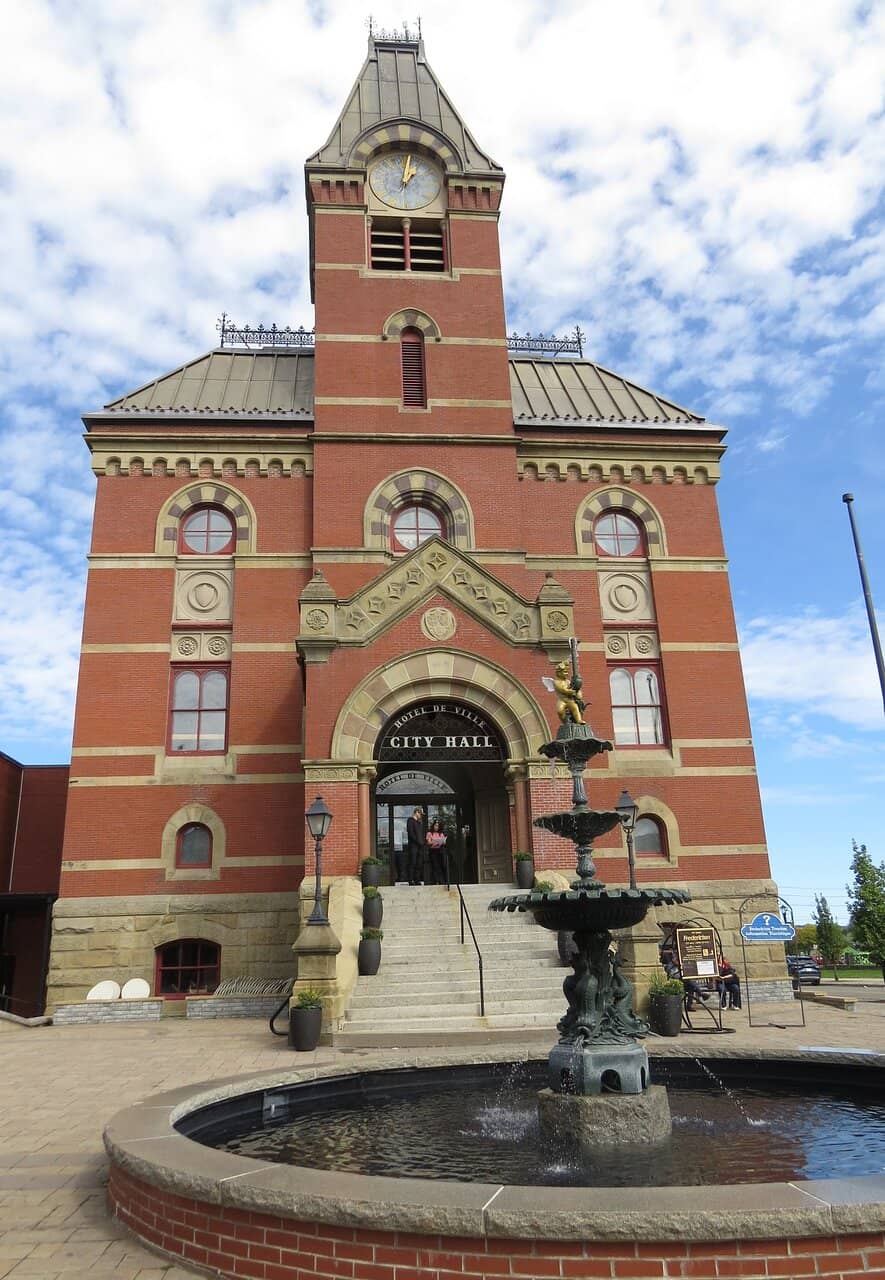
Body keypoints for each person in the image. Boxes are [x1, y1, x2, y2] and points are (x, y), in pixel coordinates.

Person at [405, 807, 425, 885]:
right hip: (413, 846)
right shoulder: (410, 821)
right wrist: (417, 841)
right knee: (412, 862)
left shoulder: (419, 822)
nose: (421, 816)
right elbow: (411, 833)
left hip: (420, 846)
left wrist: (422, 842)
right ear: (416, 812)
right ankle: (411, 879)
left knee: (419, 863)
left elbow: (421, 834)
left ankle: (417, 879)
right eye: (420, 814)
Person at [426, 820, 448, 885]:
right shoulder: (429, 833)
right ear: (433, 826)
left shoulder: (440, 833)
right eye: (435, 825)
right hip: (433, 851)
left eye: (438, 826)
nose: (436, 827)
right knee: (435, 866)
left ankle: (441, 881)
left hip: (440, 851)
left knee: (441, 866)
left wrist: (442, 841)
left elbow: (444, 842)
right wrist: (435, 841)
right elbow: (428, 842)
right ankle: (435, 881)